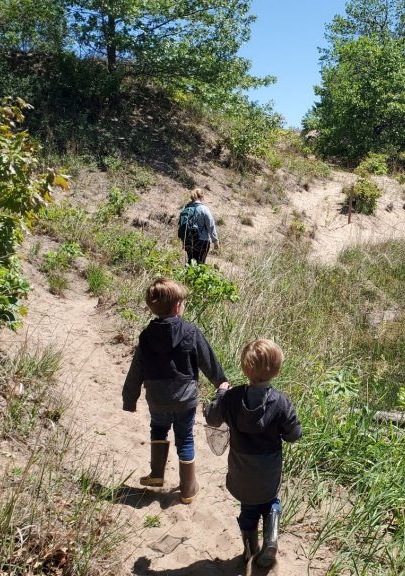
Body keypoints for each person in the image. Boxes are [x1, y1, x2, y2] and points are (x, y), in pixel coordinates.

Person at [122, 278, 229, 504]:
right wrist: (221, 381)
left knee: (158, 430)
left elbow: (136, 369)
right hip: (185, 399)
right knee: (185, 438)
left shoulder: (146, 335)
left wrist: (129, 398)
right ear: (177, 306)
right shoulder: (190, 331)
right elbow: (207, 359)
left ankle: (157, 475)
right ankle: (188, 488)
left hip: (157, 399)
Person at [204, 339, 302, 567]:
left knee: (248, 507)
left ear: (245, 369)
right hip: (268, 467)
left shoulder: (232, 397)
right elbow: (294, 434)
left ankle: (249, 550)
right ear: (277, 371)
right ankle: (271, 539)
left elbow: (212, 418)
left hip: (241, 467)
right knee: (271, 502)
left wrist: (220, 393)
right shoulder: (281, 402)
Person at [180, 189, 218, 264]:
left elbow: (182, 225)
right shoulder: (204, 209)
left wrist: (183, 241)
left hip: (188, 241)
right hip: (202, 241)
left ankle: (187, 275)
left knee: (190, 262)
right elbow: (210, 225)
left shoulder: (186, 208)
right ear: (202, 197)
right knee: (200, 263)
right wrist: (215, 241)